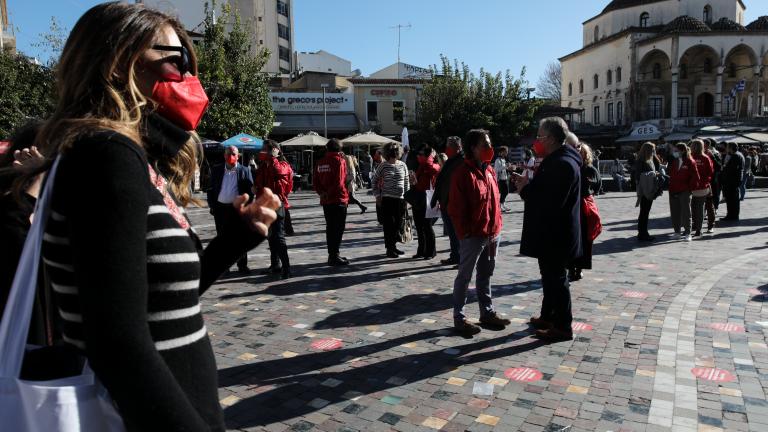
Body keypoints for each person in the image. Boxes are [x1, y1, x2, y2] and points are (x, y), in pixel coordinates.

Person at [23, 4, 280, 430]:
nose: (188, 76)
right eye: (176, 59)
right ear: (119, 60)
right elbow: (117, 342)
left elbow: (161, 302)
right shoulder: (105, 155)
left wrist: (235, 239)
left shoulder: (133, 159)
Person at [514, 117, 582, 342]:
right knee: (549, 277)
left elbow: (551, 201)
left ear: (551, 139)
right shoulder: (557, 159)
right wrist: (529, 186)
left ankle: (562, 326)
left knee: (557, 279)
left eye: (540, 136)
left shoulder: (562, 163)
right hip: (552, 232)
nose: (537, 141)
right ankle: (549, 316)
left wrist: (525, 190)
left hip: (556, 234)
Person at [449, 129, 510, 337]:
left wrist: (497, 227)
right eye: (485, 144)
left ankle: (487, 312)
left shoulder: (490, 170)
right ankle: (459, 317)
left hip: (493, 232)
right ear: (473, 148)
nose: (489, 148)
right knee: (464, 277)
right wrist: (465, 233)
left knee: (486, 274)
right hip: (474, 235)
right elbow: (455, 208)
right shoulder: (463, 173)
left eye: (490, 144)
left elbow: (495, 200)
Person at [0, 121, 50, 345]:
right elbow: (16, 241)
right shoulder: (11, 209)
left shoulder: (56, 209)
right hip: (19, 342)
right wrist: (37, 181)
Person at [208, 145, 255, 273]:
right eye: (228, 153)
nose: (231, 156)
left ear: (238, 156)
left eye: (233, 154)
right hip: (220, 209)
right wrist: (212, 205)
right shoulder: (217, 169)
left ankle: (242, 265)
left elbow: (250, 192)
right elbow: (210, 189)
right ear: (224, 156)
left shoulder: (245, 170)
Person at [254, 140, 293, 278]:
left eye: (266, 149)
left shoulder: (282, 165)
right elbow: (259, 183)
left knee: (278, 237)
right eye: (263, 149)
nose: (263, 152)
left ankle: (287, 268)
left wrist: (273, 158)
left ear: (275, 150)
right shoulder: (263, 166)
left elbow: (278, 173)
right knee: (271, 237)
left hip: (277, 204)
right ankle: (275, 264)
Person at [314, 138, 350, 266]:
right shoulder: (339, 161)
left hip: (326, 200)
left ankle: (333, 254)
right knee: (338, 228)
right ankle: (334, 255)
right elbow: (339, 182)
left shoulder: (320, 161)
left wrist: (322, 193)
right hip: (338, 198)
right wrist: (329, 193)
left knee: (330, 228)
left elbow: (315, 181)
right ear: (339, 148)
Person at [569, 143, 601, 282]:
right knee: (571, 237)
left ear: (585, 154)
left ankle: (579, 268)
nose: (578, 154)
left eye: (581, 152)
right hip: (571, 206)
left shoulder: (589, 169)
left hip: (584, 206)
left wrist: (589, 191)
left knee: (584, 238)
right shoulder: (570, 166)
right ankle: (571, 268)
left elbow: (597, 184)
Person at [372, 142, 410, 258]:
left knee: (398, 224)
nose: (394, 151)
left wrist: (407, 198)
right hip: (387, 199)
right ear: (387, 152)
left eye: (396, 149)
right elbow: (374, 181)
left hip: (400, 200)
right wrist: (377, 195)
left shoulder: (403, 165)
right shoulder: (383, 165)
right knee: (389, 225)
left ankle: (393, 246)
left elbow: (406, 182)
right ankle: (389, 249)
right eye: (392, 149)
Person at [431, 136, 463, 266]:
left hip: (455, 203)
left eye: (450, 146)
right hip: (445, 201)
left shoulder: (462, 161)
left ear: (458, 147)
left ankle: (461, 259)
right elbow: (441, 182)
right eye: (447, 146)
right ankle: (455, 256)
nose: (447, 149)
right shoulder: (450, 161)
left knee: (457, 233)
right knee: (451, 233)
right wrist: (436, 198)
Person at [411, 145, 440, 259]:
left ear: (428, 156)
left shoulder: (433, 165)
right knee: (419, 226)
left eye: (421, 154)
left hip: (428, 198)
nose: (418, 156)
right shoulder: (421, 166)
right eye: (418, 154)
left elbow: (434, 169)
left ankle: (431, 252)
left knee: (427, 226)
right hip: (418, 197)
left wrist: (430, 158)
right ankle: (421, 250)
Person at [667, 142, 700, 241]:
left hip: (685, 190)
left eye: (676, 150)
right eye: (674, 150)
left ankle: (688, 233)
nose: (674, 152)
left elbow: (695, 177)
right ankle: (677, 232)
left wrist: (689, 188)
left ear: (682, 151)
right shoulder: (674, 161)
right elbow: (671, 174)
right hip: (673, 189)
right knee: (675, 212)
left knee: (686, 212)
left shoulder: (690, 161)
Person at [634, 142, 660, 242]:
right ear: (648, 150)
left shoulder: (650, 160)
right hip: (645, 189)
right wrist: (653, 174)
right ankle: (643, 233)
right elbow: (638, 176)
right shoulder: (641, 161)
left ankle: (642, 232)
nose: (654, 151)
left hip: (649, 188)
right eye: (653, 150)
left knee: (645, 211)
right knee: (644, 212)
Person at [690, 139, 714, 237]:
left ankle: (695, 226)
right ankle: (698, 230)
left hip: (691, 187)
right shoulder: (706, 158)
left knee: (692, 209)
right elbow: (710, 172)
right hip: (703, 186)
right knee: (700, 208)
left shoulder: (690, 157)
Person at [721, 142, 744, 222]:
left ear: (730, 148)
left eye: (727, 147)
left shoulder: (735, 156)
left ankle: (732, 215)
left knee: (732, 199)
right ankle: (732, 215)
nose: (726, 149)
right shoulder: (737, 154)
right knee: (732, 199)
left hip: (732, 181)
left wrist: (724, 168)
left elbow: (732, 168)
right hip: (734, 180)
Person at [704, 139, 722, 215]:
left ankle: (715, 208)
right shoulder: (699, 153)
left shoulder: (715, 153)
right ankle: (704, 210)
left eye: (705, 145)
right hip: (704, 178)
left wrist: (712, 156)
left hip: (713, 178)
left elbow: (719, 166)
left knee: (714, 193)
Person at [494, 146, 511, 212]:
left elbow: (504, 168)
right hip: (500, 179)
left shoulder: (503, 160)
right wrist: (505, 166)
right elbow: (496, 169)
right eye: (505, 152)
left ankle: (502, 205)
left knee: (506, 192)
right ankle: (500, 206)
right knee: (504, 192)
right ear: (501, 152)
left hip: (505, 178)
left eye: (506, 152)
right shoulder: (497, 160)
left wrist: (509, 168)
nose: (506, 153)